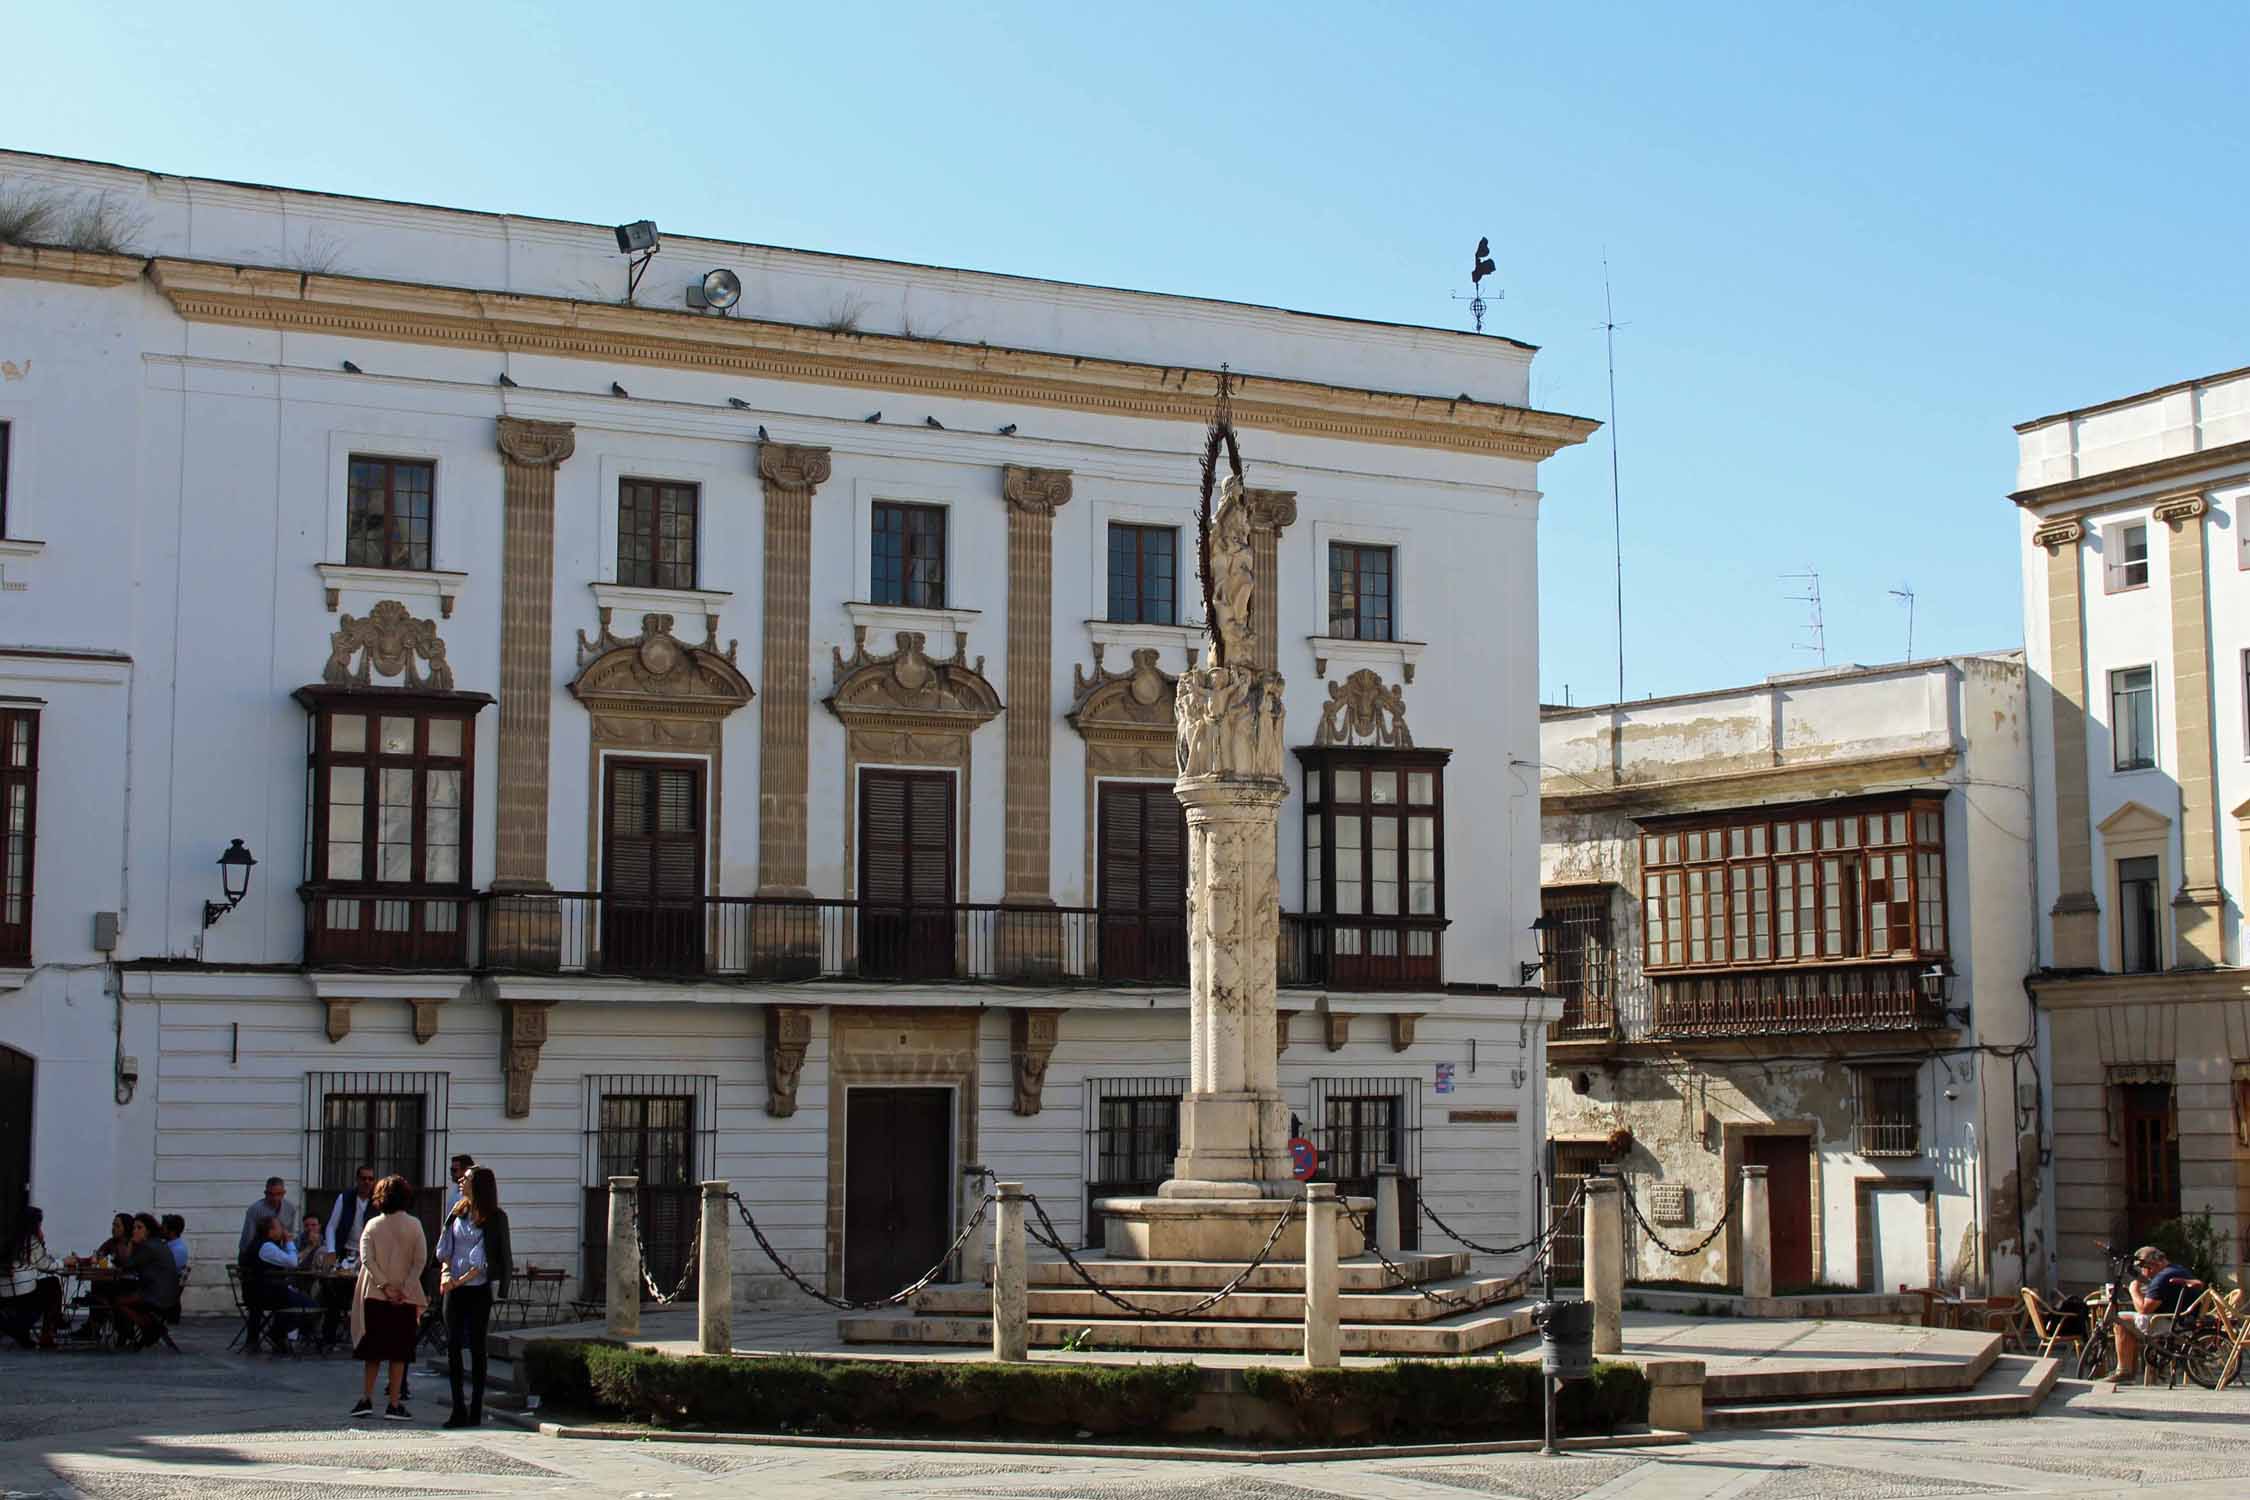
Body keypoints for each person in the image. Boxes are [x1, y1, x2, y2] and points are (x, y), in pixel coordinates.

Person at [435, 1165, 511, 1428]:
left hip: (477, 1290)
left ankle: (476, 1407)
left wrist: (461, 1280)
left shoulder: (495, 1217)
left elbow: (489, 1260)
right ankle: (458, 1408)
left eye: (465, 1178)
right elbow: (446, 1247)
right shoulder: (457, 1211)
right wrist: (446, 1274)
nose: (460, 1181)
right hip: (454, 1291)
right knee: (453, 1347)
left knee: (478, 1349)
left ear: (478, 1184)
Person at [351, 1174, 427, 1421]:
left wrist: (384, 1286)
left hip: (375, 1295)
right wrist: (404, 1288)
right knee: (398, 1353)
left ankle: (366, 1398)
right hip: (405, 1298)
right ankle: (394, 1404)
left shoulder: (372, 1225)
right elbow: (420, 1260)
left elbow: (367, 1259)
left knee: (373, 1352)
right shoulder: (415, 1225)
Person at [2113, 1244, 2205, 1384]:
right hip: (2186, 1323)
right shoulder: (2178, 1269)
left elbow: (2144, 1309)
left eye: (2146, 1268)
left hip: (2172, 1327)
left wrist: (2133, 1290)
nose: (2146, 1272)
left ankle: (2124, 1371)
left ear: (2157, 1263)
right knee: (2131, 1321)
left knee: (2120, 1319)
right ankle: (2131, 1371)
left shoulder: (2162, 1278)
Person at [0, 1207, 65, 1350]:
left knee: (44, 1286)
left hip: (4, 1295)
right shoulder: (30, 1240)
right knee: (53, 1284)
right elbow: (46, 1265)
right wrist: (65, 1262)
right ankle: (48, 1333)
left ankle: (26, 1332)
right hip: (23, 1294)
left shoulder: (8, 1239)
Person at [114, 1213, 181, 1349]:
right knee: (123, 1295)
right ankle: (137, 1331)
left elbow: (127, 1265)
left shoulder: (148, 1247)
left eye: (139, 1228)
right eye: (134, 1228)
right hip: (167, 1294)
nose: (135, 1231)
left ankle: (149, 1328)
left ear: (148, 1231)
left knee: (118, 1301)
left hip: (158, 1296)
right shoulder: (156, 1244)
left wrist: (131, 1243)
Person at [253, 1214, 319, 1353]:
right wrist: (289, 1242)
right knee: (312, 1306)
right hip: (267, 1293)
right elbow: (293, 1262)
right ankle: (279, 1332)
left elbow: (290, 1260)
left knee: (296, 1300)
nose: (283, 1230)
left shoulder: (266, 1245)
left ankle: (278, 1333)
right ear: (270, 1231)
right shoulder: (267, 1247)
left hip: (267, 1290)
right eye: (279, 1227)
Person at [324, 1165, 377, 1260]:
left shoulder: (378, 1201)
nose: (367, 1182)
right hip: (346, 1252)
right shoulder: (344, 1198)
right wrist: (331, 1250)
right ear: (357, 1180)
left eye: (370, 1179)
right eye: (363, 1178)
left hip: (370, 1254)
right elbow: (331, 1226)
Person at [237, 1178, 297, 1260]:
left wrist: (287, 1255)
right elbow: (248, 1237)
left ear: (284, 1193)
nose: (275, 1198)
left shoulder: (290, 1209)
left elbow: (289, 1235)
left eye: (278, 1194)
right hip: (257, 1253)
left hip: (278, 1253)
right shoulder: (255, 1209)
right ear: (265, 1193)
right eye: (271, 1194)